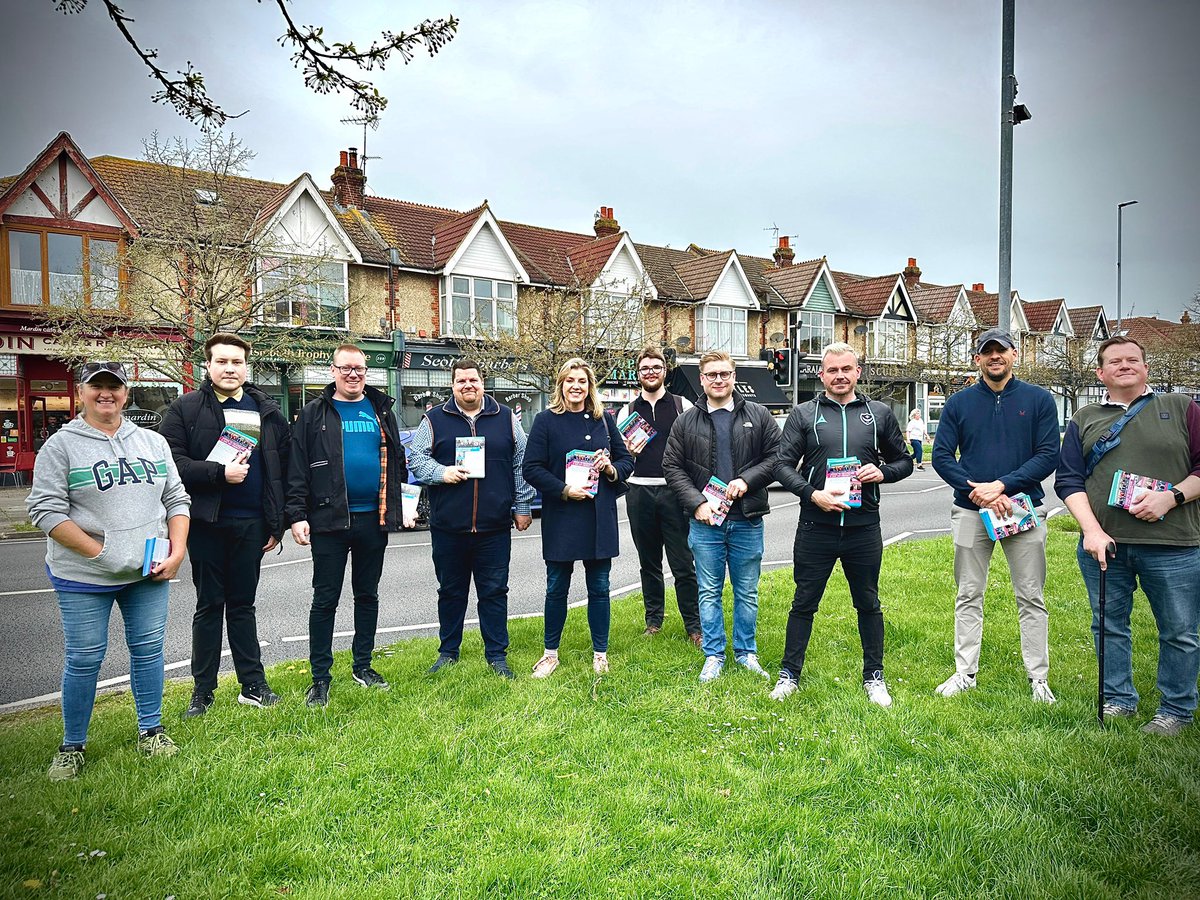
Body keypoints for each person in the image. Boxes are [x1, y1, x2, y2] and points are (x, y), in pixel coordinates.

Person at [27, 361, 191, 780]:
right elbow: (45, 510)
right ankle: (72, 746)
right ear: (81, 391)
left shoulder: (153, 443)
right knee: (84, 658)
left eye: (114, 387)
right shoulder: (60, 447)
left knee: (148, 650)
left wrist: (177, 551)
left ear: (125, 391)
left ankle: (151, 731)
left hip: (147, 572)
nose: (106, 394)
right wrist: (100, 553)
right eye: (96, 386)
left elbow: (176, 498)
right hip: (83, 576)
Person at [1056, 336, 1200, 736]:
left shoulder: (1182, 407)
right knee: (1108, 626)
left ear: (1146, 368)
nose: (1124, 365)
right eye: (1114, 361)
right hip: (1106, 545)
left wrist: (1169, 499)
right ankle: (1118, 700)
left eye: (1132, 359)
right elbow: (1068, 480)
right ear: (1100, 373)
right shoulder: (1084, 418)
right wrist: (1092, 531)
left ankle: (1176, 710)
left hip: (1174, 545)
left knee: (1180, 631)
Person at [771, 343, 913, 705]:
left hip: (863, 527)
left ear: (857, 372)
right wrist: (810, 493)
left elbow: (905, 462)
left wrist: (882, 472)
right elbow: (782, 467)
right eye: (832, 370)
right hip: (815, 527)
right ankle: (789, 675)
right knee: (803, 602)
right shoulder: (803, 414)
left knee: (868, 602)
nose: (839, 376)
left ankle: (874, 677)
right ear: (822, 374)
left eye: (846, 369)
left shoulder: (879, 413)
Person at [160, 333, 289, 717]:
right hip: (207, 524)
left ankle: (252, 684)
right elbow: (171, 464)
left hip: (251, 524)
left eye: (237, 362)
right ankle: (203, 691)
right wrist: (218, 472)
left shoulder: (265, 409)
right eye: (222, 362)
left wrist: (275, 524)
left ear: (246, 366)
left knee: (243, 606)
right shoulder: (184, 409)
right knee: (209, 605)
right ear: (208, 366)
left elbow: (281, 468)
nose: (230, 368)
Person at [931, 329, 1060, 703]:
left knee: (1031, 595)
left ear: (1014, 354)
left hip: (1023, 509)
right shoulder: (958, 403)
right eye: (987, 353)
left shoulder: (1038, 400)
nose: (994, 357)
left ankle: (1038, 679)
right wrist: (979, 492)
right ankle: (964, 673)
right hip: (972, 511)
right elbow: (941, 457)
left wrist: (1002, 486)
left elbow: (1048, 454)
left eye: (1000, 351)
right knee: (968, 593)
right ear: (977, 360)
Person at [287, 344, 412, 707]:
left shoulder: (380, 410)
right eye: (346, 368)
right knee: (325, 599)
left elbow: (396, 462)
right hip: (329, 520)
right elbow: (297, 468)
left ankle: (363, 666)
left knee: (367, 595)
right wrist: (297, 515)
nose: (353, 374)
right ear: (333, 371)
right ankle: (320, 678)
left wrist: (400, 504)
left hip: (373, 518)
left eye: (359, 368)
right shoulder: (313, 414)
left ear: (366, 372)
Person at [406, 358, 536, 679]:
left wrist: (522, 505)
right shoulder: (434, 419)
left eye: (473, 380)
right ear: (453, 385)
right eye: (461, 381)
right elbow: (417, 457)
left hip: (493, 527)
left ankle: (496, 655)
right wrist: (442, 472)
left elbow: (522, 461)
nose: (468, 385)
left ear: (482, 383)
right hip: (449, 527)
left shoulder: (506, 418)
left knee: (494, 592)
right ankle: (448, 652)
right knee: (451, 592)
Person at [662, 350, 780, 683]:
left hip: (747, 519)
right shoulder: (686, 421)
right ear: (701, 379)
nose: (718, 380)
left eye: (724, 374)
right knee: (708, 591)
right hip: (705, 523)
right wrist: (697, 503)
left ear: (733, 376)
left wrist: (748, 480)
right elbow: (672, 467)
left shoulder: (758, 415)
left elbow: (777, 457)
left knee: (747, 591)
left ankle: (746, 653)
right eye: (712, 374)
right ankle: (713, 655)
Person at [522, 358, 634, 677]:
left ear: (589, 386)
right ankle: (550, 654)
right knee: (556, 587)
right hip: (563, 517)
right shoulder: (546, 421)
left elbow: (626, 461)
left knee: (599, 587)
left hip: (599, 519)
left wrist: (610, 468)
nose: (576, 386)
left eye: (582, 381)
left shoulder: (604, 420)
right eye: (570, 380)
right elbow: (531, 468)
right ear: (561, 385)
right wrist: (563, 489)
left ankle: (600, 653)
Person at [615, 346, 701, 645]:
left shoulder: (683, 405)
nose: (650, 372)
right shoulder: (626, 411)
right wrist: (626, 451)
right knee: (648, 562)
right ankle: (653, 621)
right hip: (638, 491)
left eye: (656, 367)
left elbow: (697, 448)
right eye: (644, 369)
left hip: (674, 491)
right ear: (637, 374)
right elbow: (619, 456)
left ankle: (694, 625)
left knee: (682, 563)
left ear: (665, 371)